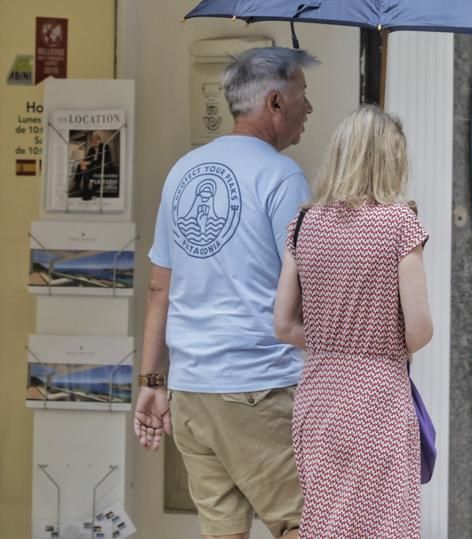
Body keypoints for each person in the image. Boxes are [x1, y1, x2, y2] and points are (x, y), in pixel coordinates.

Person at [134, 47, 318, 539]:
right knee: (303, 524)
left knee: (223, 533)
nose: (309, 109)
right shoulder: (282, 177)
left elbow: (159, 288)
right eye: (303, 95)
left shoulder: (183, 172)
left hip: (192, 392)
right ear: (275, 102)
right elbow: (310, 288)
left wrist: (152, 382)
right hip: (258, 387)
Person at [273, 104, 433, 537]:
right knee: (382, 525)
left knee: (326, 525)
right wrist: (373, 341)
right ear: (391, 159)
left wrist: (334, 341)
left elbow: (284, 325)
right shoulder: (400, 223)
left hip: (319, 397)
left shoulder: (304, 223)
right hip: (377, 398)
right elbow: (419, 330)